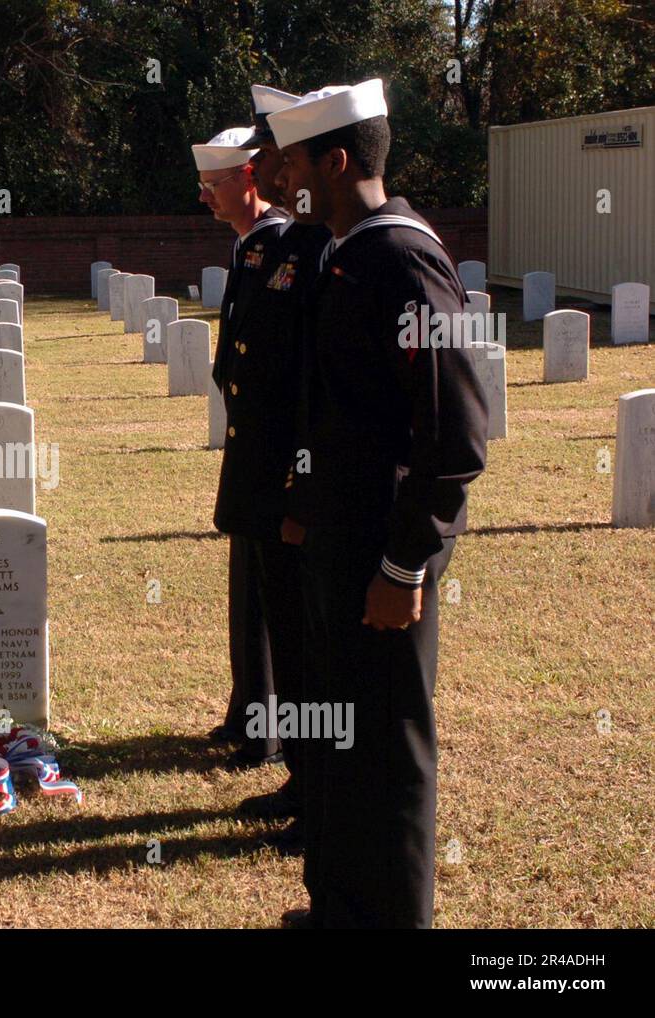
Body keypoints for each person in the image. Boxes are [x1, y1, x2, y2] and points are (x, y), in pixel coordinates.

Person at [269, 79, 488, 927]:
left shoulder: (403, 258)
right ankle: (339, 908)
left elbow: (455, 438)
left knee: (389, 748)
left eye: (293, 157)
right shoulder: (341, 251)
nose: (282, 171)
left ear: (335, 160)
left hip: (382, 557)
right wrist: (303, 504)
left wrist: (406, 566)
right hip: (335, 543)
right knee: (337, 739)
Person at [210, 87, 333, 830]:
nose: (281, 174)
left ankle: (315, 791)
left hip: (294, 479)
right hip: (263, 469)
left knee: (308, 648)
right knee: (284, 633)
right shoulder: (273, 248)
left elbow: (308, 383)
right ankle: (302, 781)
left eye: (285, 160)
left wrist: (297, 487)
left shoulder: (318, 250)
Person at [192, 125, 286, 770]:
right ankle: (246, 711)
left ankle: (268, 729)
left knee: (273, 598)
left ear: (248, 179)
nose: (205, 197)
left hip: (277, 450)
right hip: (249, 443)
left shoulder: (279, 244)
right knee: (247, 590)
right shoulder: (249, 247)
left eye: (214, 184)